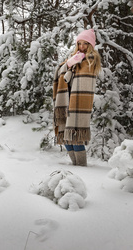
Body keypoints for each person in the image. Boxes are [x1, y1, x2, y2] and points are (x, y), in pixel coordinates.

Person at [53, 29, 101, 166]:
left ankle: (81, 167)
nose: (82, 47)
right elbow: (60, 72)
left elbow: (86, 80)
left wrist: (78, 63)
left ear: (90, 45)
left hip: (79, 103)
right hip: (66, 101)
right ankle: (75, 166)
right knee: (65, 137)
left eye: (85, 43)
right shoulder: (74, 58)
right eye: (79, 43)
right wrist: (69, 64)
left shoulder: (91, 60)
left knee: (76, 137)